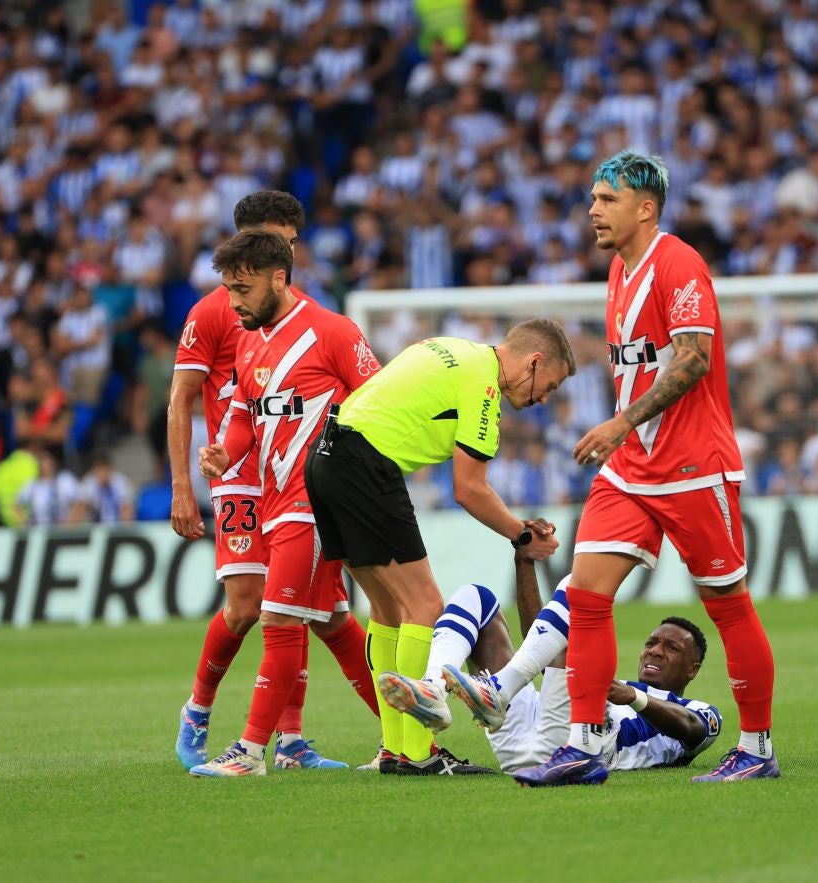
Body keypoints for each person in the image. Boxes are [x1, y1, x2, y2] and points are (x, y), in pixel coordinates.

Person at [519, 150, 778, 787]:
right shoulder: (618, 270)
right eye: (593, 198)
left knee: (726, 605)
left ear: (646, 207)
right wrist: (625, 436)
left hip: (692, 464)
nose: (593, 210)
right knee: (585, 597)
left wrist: (620, 422)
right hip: (631, 468)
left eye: (607, 199)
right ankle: (582, 746)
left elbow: (691, 362)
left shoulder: (679, 263)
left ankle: (756, 748)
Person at [306, 318, 573, 774]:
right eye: (547, 385)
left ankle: (394, 750)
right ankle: (418, 754)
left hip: (324, 460)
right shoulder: (485, 387)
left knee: (388, 610)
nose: (543, 399)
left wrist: (516, 527)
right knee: (426, 606)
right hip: (365, 467)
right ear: (533, 361)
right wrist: (522, 536)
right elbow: (469, 489)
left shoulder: (452, 348)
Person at [169, 192, 373, 772]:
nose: (282, 248)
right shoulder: (218, 311)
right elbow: (189, 399)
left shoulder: (315, 319)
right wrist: (190, 480)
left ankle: (288, 741)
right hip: (245, 479)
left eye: (288, 240)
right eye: (269, 238)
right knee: (249, 605)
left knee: (319, 611)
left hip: (303, 481)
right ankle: (200, 712)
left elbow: (372, 397)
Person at [384, 552, 722, 776]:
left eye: (671, 648)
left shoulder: (696, 709)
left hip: (578, 746)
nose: (655, 651)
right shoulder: (614, 684)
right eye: (651, 643)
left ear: (693, 669)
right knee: (478, 597)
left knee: (581, 587)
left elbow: (691, 729)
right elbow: (544, 642)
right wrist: (525, 561)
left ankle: (497, 691)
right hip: (519, 741)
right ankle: (434, 687)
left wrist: (633, 698)